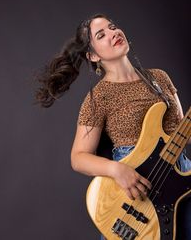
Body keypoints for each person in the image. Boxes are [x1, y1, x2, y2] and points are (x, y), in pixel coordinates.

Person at [35, 14, 191, 240]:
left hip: (180, 184)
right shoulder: (98, 98)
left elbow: (182, 133)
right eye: (101, 35)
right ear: (93, 55)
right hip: (137, 197)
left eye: (113, 27)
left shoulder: (159, 77)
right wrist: (116, 170)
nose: (113, 33)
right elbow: (78, 157)